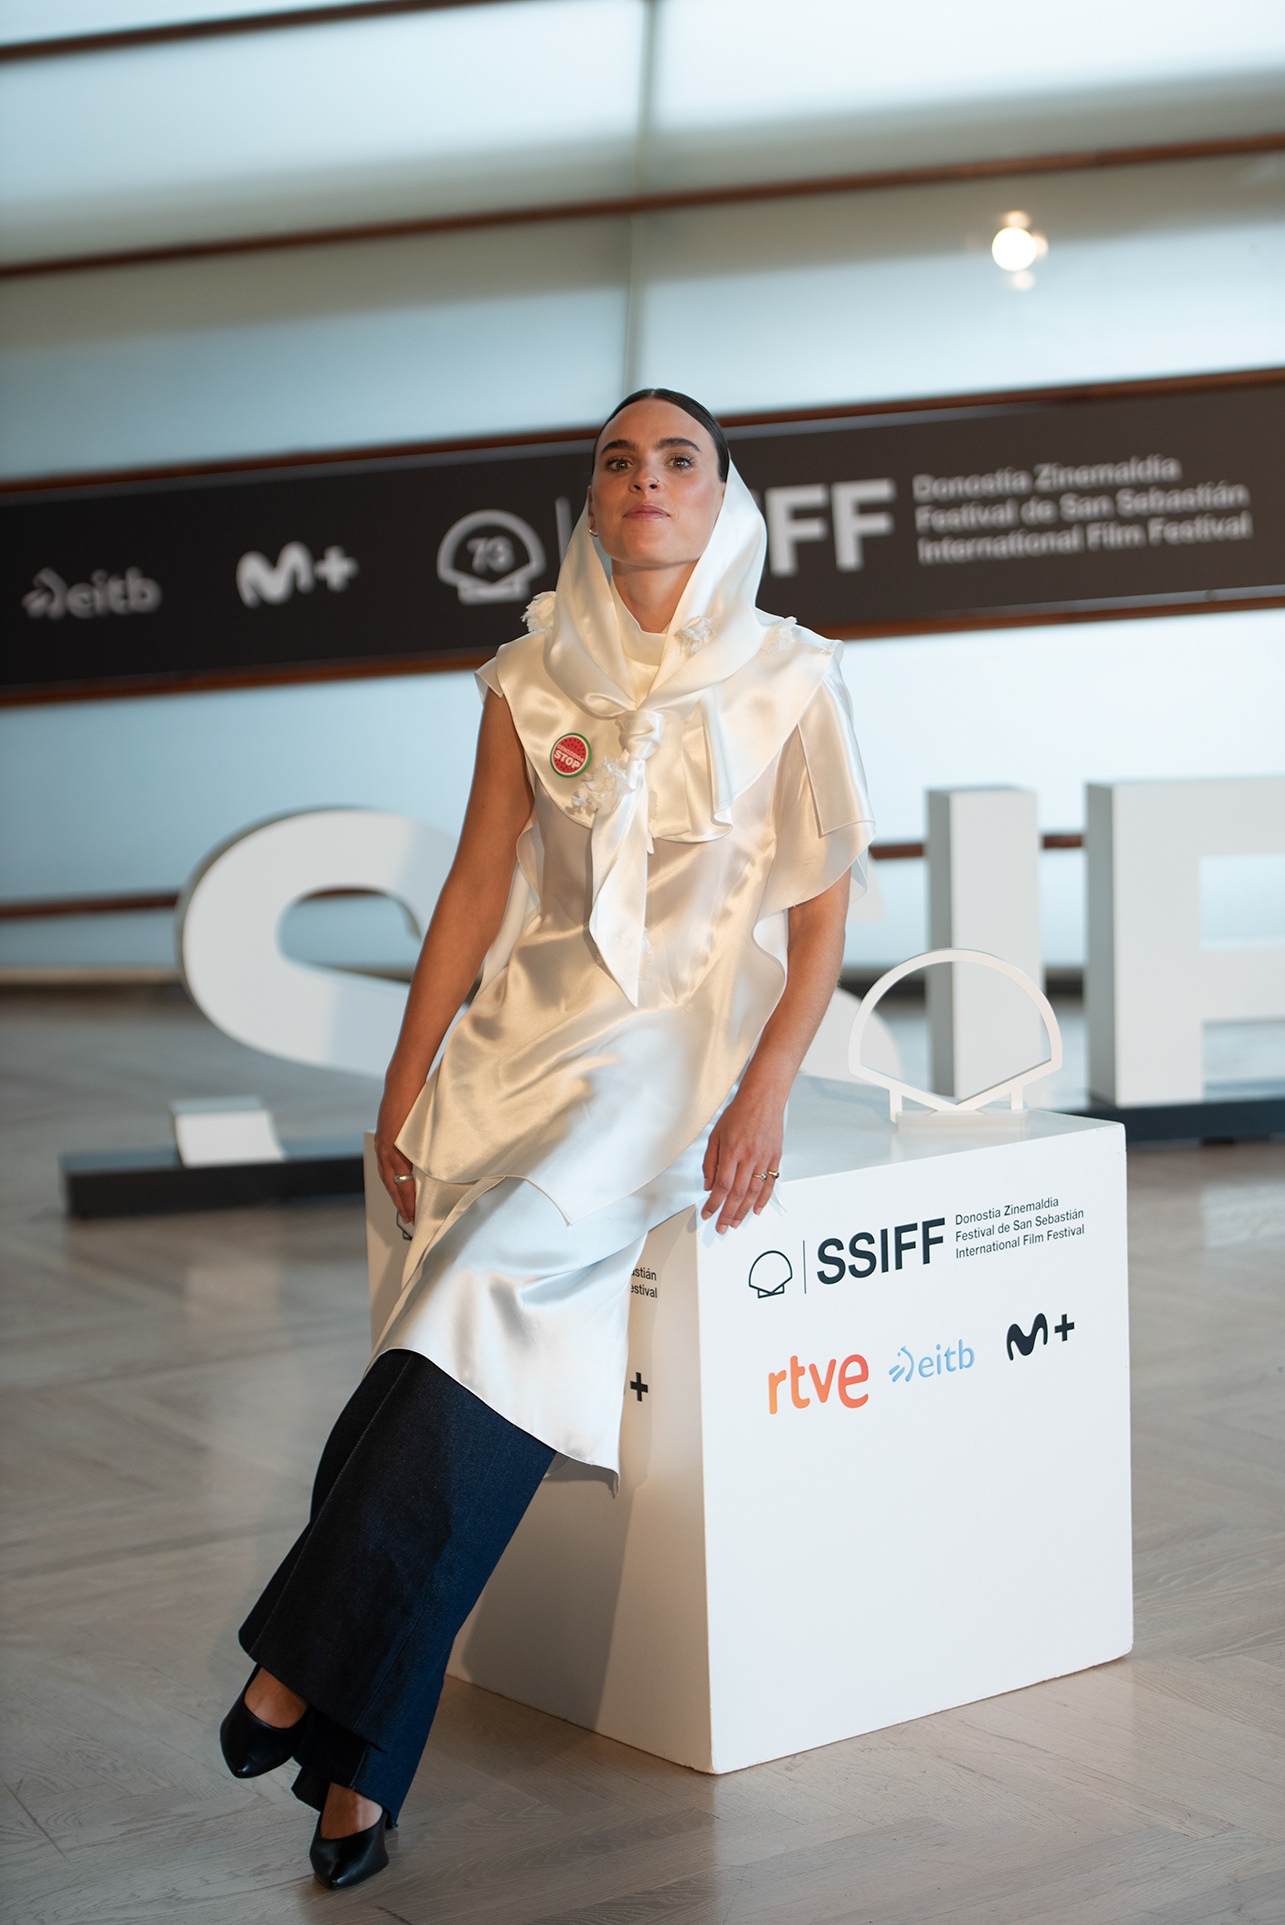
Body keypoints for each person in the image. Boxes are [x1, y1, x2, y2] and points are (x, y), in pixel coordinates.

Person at [218, 389, 874, 1890]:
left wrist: (768, 1086)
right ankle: (352, 1776)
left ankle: (298, 1670)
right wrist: (406, 1075)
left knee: (472, 1300)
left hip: (670, 1054)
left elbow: (822, 920)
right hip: (521, 1042)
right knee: (430, 1361)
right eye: (618, 461)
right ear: (592, 500)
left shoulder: (794, 676)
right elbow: (473, 885)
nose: (647, 480)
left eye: (679, 460)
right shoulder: (527, 672)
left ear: (724, 498)